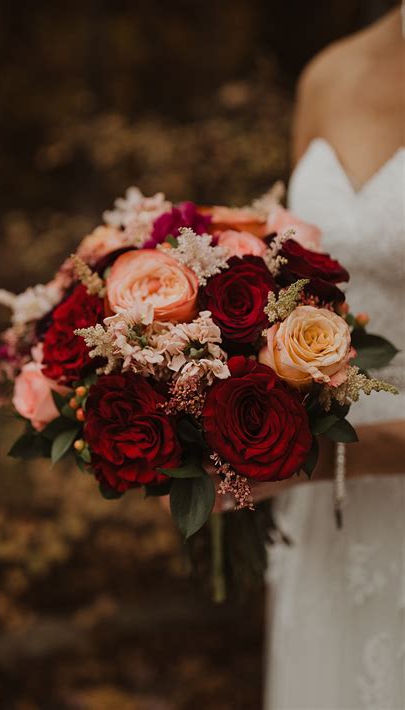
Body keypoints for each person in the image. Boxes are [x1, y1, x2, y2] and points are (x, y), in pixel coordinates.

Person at [259, 6, 405, 709]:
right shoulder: (329, 72)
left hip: (329, 462)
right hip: (321, 502)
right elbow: (293, 284)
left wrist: (303, 459)